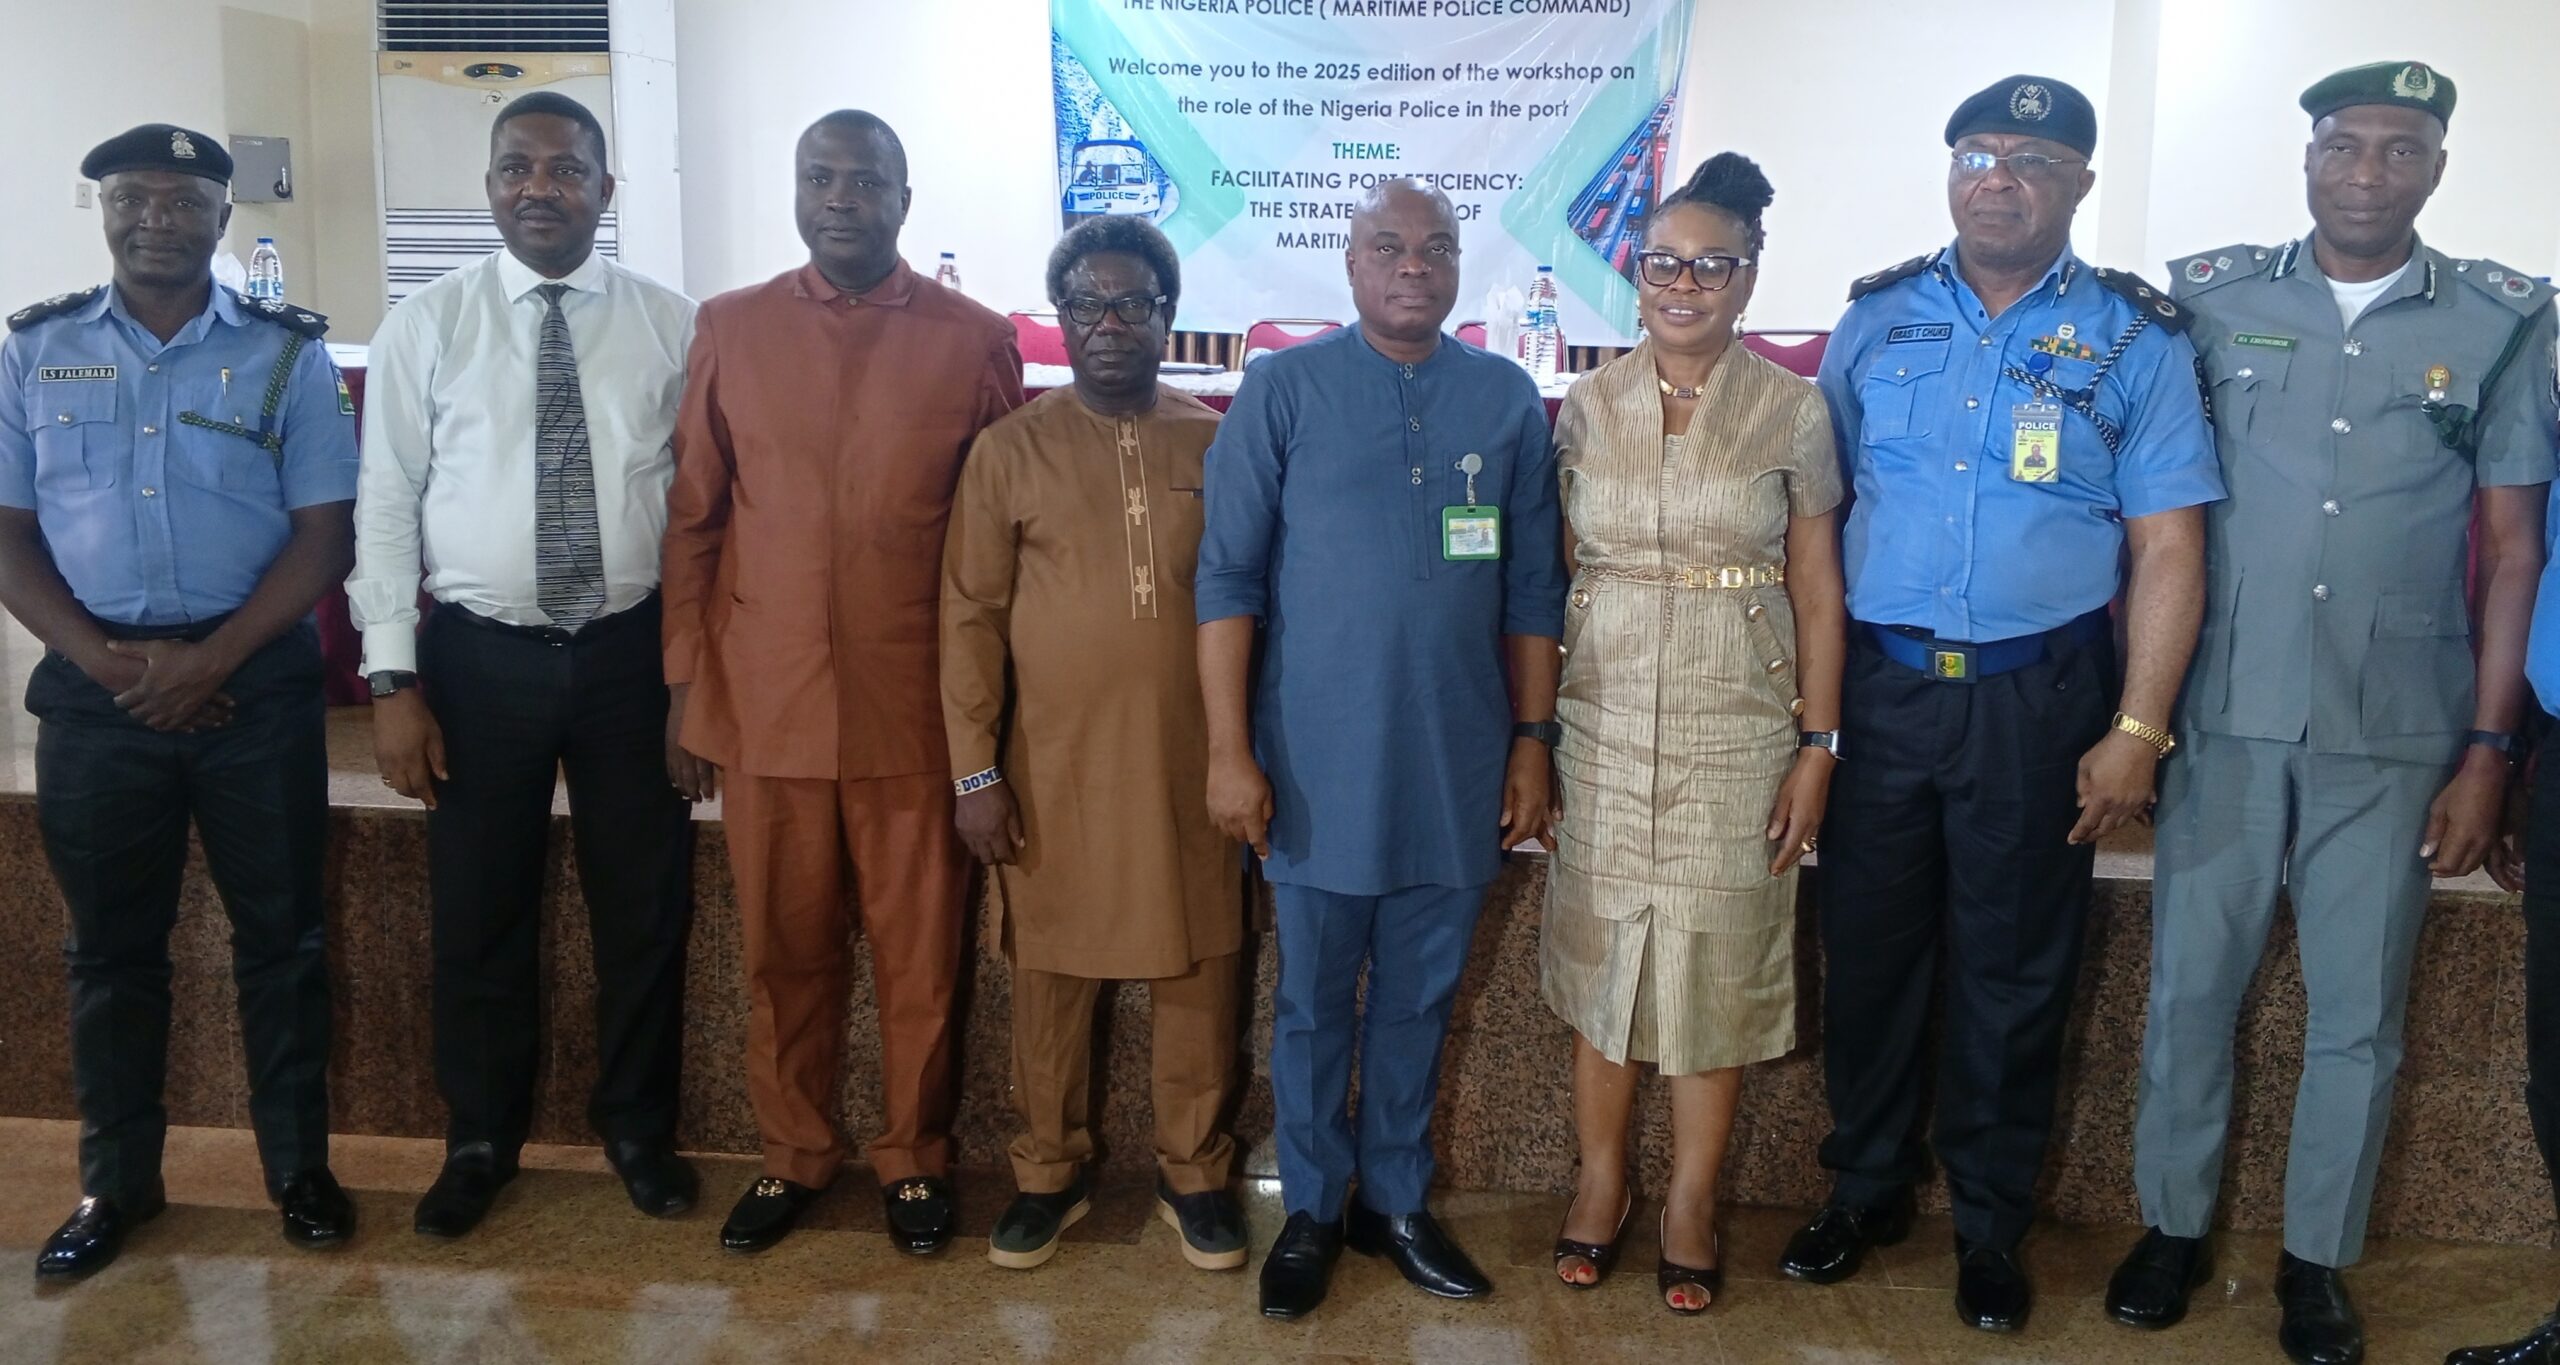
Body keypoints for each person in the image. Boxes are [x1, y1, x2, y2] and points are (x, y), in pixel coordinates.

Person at [2109, 62, 2555, 1365]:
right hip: (2226, 707)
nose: (2367, 172)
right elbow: (2156, 516)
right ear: (2306, 158)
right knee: (2191, 988)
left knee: (2358, 1014)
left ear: (2437, 169)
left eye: (2399, 150)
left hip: (2396, 724)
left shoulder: (2500, 322)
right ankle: (2170, 1225)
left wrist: (2488, 750)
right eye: (2343, 145)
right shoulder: (2210, 300)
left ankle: (2316, 1260)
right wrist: (2137, 714)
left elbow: (2514, 551)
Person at [1784, 76, 2223, 1333]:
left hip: (2038, 697)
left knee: (2015, 974)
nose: (1997, 178)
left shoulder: (2136, 340)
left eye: (2030, 159)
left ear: (2079, 182)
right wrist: (1811, 722)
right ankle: (1864, 1187)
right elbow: (1813, 521)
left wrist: (2136, 728)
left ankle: (1987, 1224)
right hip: (1882, 692)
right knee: (1868, 956)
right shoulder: (1875, 320)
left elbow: (2169, 547)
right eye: (1976, 153)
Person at [1197, 177, 1567, 1320]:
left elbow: (1533, 590)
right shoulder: (1282, 390)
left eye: (1435, 247)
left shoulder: (1503, 399)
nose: (1414, 265)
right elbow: (1226, 579)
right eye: (1389, 246)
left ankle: (1395, 1201)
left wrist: (1532, 741)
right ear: (1350, 263)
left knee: (1417, 998)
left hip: (1456, 759)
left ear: (1458, 265)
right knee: (1312, 1002)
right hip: (1313, 763)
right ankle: (1312, 1207)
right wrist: (1228, 751)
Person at [0, 124, 359, 1277]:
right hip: (96, 697)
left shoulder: (286, 354)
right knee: (109, 952)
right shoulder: (35, 349)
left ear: (221, 218)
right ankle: (116, 1185)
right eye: (133, 197)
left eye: (184, 199)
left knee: (284, 942)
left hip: (254, 692)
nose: (156, 217)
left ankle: (298, 1171)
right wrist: (113, 667)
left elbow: (323, 537)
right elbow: (9, 535)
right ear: (102, 209)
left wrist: (211, 664)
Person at [663, 109, 1022, 1256]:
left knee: (922, 961)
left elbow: (1002, 539)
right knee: (784, 954)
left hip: (917, 714)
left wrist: (994, 724)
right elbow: (694, 520)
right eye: (818, 177)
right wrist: (685, 689)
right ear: (796, 190)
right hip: (765, 709)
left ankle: (914, 1159)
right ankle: (794, 1155)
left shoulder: (973, 340)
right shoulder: (731, 327)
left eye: (864, 181)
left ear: (903, 200)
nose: (839, 199)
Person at [348, 92, 704, 1239]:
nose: (538, 188)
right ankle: (481, 1139)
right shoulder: (426, 325)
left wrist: (693, 683)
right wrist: (393, 683)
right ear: (490, 187)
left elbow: (703, 515)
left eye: (564, 169)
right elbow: (385, 507)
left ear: (606, 190)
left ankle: (638, 1131)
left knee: (642, 911)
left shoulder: (672, 326)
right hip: (477, 662)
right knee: (478, 911)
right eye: (515, 168)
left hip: (629, 656)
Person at [1543, 151, 1847, 1315]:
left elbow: (1816, 587)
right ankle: (1602, 1180)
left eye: (1710, 266)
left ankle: (1691, 1200)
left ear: (1747, 277)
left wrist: (1818, 745)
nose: (1683, 284)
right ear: (1635, 273)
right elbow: (1559, 577)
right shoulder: (1588, 405)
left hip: (1739, 725)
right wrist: (1540, 730)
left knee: (1712, 965)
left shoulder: (1791, 408)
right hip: (1605, 721)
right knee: (1603, 958)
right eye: (1662, 262)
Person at [940, 215, 1248, 1273]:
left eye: (1131, 305)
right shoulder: (1008, 450)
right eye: (1087, 305)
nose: (1109, 324)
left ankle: (1194, 1173)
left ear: (1168, 317)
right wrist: (975, 770)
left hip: (1193, 764)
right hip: (1051, 768)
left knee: (1199, 969)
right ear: (1061, 319)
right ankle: (1047, 1173)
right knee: (1050, 976)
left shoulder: (1214, 441)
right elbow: (969, 619)